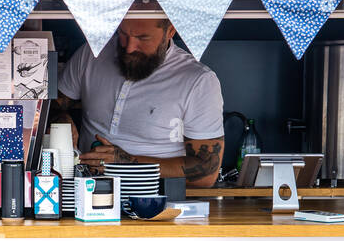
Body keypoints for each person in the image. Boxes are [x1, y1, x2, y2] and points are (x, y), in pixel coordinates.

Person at [53, 10, 225, 187]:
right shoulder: (92, 54)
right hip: (86, 192)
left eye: (143, 38)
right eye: (123, 34)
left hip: (156, 203)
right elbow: (51, 104)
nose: (129, 47)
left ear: (170, 31)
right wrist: (59, 118)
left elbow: (206, 173)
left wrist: (130, 164)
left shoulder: (198, 80)